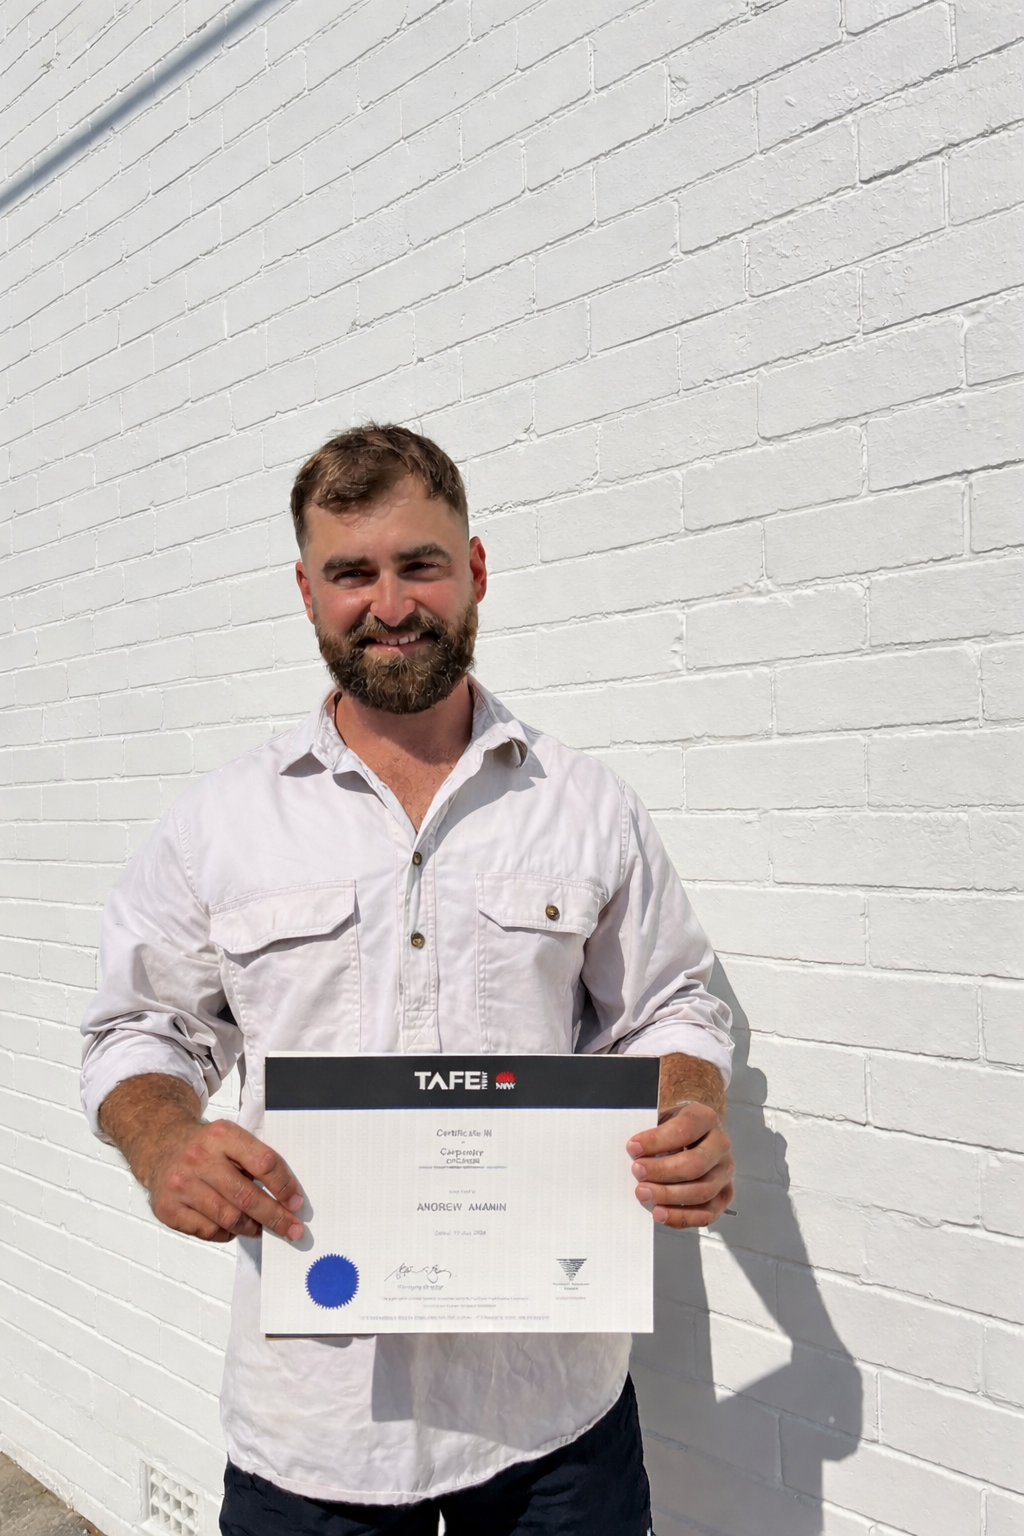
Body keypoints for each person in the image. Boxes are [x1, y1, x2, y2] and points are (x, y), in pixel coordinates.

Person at [81, 425, 736, 1536]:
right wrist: (161, 1141)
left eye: (419, 564)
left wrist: (689, 1109)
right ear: (307, 592)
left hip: (552, 1423)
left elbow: (672, 1005)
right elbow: (138, 1028)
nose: (389, 605)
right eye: (351, 573)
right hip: (315, 1433)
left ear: (473, 569)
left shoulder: (586, 806)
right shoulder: (220, 824)